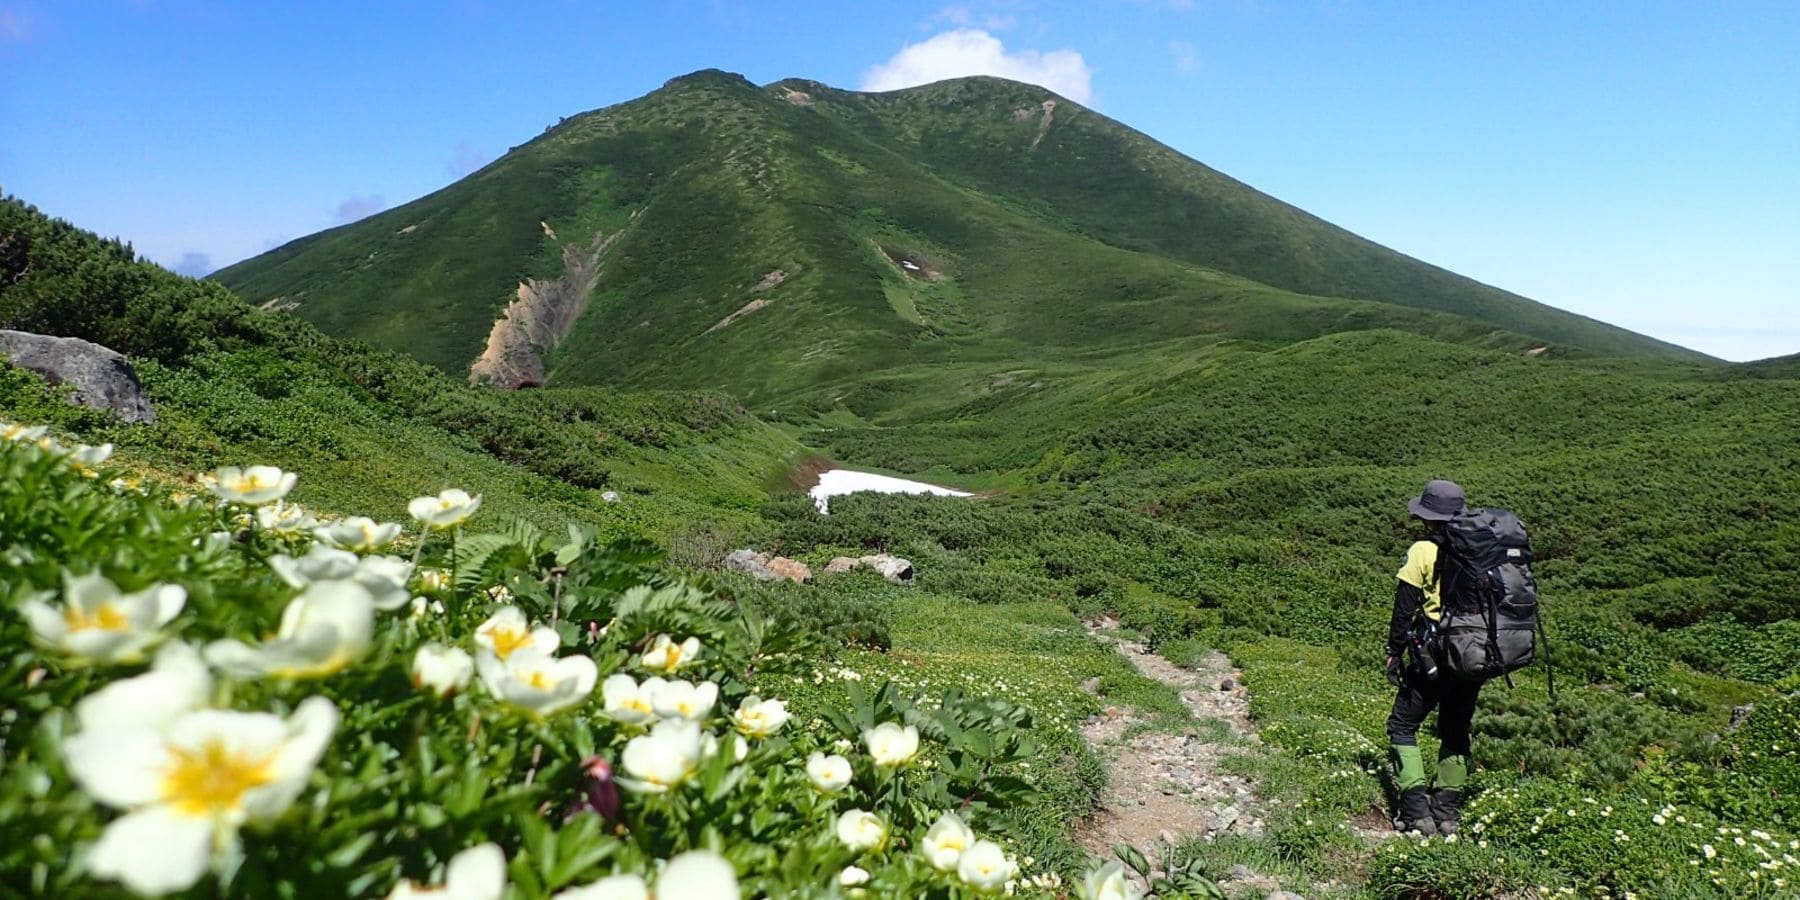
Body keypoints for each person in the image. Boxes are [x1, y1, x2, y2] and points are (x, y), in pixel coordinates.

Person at [1384, 479, 1480, 836]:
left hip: (1433, 656)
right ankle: (1447, 814)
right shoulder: (1480, 550)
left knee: (1402, 726)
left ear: (1428, 518)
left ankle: (1415, 812)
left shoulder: (1422, 551)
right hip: (1473, 657)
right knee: (1456, 731)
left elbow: (1403, 610)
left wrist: (1394, 652)